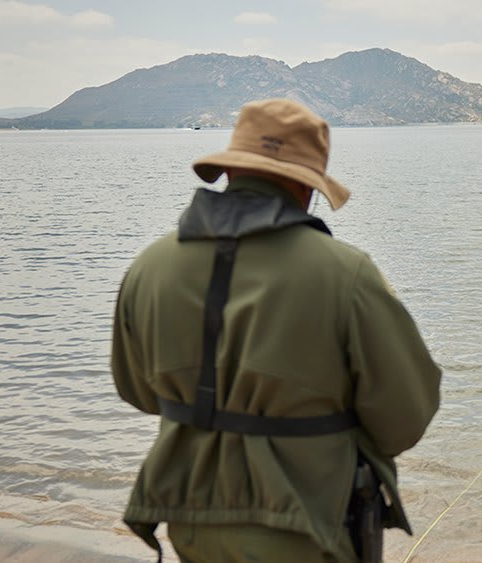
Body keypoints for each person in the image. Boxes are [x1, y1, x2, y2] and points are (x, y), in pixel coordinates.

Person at [110, 99, 442, 563]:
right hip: (309, 530)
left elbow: (139, 393)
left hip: (189, 522)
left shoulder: (150, 265)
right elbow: (404, 418)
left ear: (231, 172)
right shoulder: (346, 274)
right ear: (307, 186)